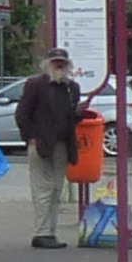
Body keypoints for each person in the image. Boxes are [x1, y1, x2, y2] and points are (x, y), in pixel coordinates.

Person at [17, 49, 84, 249]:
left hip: (63, 145)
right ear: (47, 63)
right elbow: (22, 114)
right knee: (43, 190)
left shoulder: (72, 88)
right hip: (41, 145)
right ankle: (42, 233)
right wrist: (31, 138)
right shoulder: (36, 85)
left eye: (62, 63)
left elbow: (70, 119)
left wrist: (78, 113)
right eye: (55, 62)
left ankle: (49, 233)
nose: (59, 66)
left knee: (56, 189)